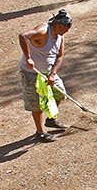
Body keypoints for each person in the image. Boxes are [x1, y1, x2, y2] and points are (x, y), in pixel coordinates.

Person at [19, 9, 73, 142]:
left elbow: (60, 56)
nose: (67, 31)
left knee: (60, 94)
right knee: (37, 104)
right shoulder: (43, 30)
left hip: (48, 72)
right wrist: (28, 58)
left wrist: (53, 74)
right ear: (58, 25)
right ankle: (40, 132)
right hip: (32, 74)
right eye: (66, 28)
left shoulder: (60, 35)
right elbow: (23, 36)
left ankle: (51, 120)